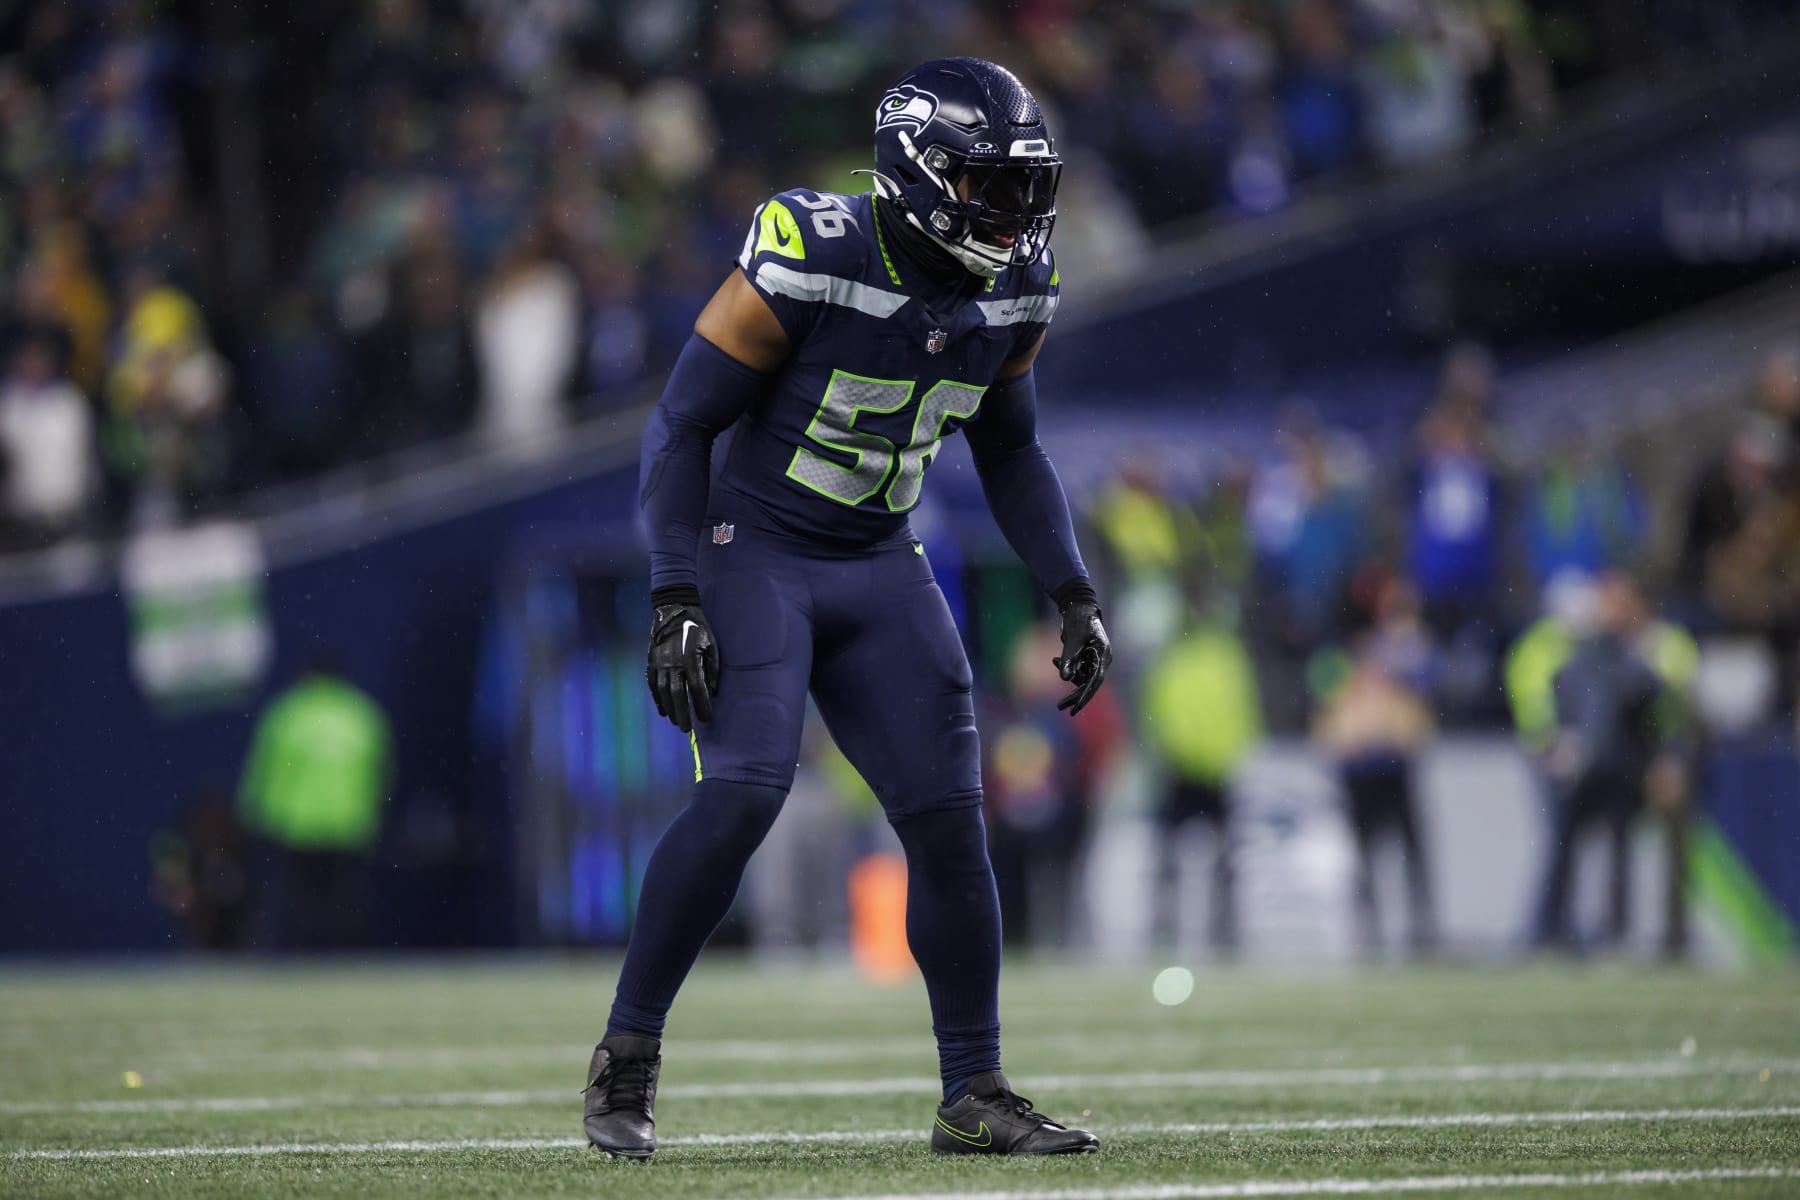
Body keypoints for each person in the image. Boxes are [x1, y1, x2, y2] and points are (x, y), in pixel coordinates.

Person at [585, 58, 1110, 1160]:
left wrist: (1071, 587)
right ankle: (626, 1055)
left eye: (1027, 187)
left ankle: (975, 1090)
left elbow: (1012, 450)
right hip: (757, 548)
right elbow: (680, 427)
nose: (1015, 213)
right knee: (744, 793)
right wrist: (676, 591)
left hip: (878, 556)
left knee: (951, 824)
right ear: (918, 175)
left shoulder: (1016, 285)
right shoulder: (816, 248)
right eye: (990, 186)